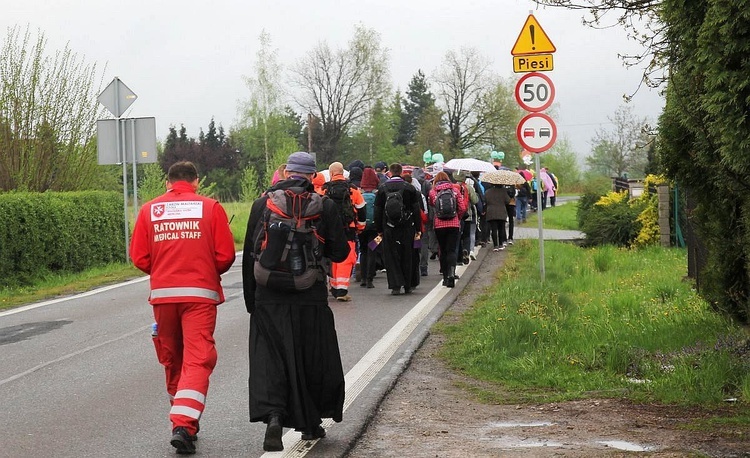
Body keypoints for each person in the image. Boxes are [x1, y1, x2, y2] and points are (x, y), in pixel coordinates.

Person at [242, 151, 350, 452]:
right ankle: (310, 422)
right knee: (311, 358)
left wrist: (252, 301)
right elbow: (340, 253)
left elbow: (252, 254)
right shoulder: (324, 205)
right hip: (309, 295)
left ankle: (274, 415)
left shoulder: (262, 204)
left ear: (287, 172)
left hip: (268, 295)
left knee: (270, 360)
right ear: (312, 176)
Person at [130, 161, 236, 455]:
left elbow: (139, 256)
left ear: (167, 182)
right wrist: (204, 269)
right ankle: (184, 423)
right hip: (199, 296)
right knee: (198, 358)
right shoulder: (211, 208)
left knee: (172, 356)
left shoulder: (149, 210)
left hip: (163, 296)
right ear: (197, 181)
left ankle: (181, 417)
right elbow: (225, 255)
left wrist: (164, 269)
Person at [374, 163, 422, 295]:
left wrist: (379, 229)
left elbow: (377, 211)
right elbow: (416, 209)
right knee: (408, 254)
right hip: (407, 226)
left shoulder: (382, 188)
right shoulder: (409, 188)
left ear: (389, 172)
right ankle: (408, 284)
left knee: (391, 255)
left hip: (389, 227)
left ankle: (395, 285)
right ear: (401, 172)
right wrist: (418, 228)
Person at [323, 162, 366, 301]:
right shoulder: (353, 189)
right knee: (346, 257)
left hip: (329, 229)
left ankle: (334, 286)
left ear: (331, 173)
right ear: (343, 173)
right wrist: (360, 227)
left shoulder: (325, 190)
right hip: (348, 228)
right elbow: (361, 209)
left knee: (331, 256)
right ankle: (341, 290)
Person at [428, 171, 467, 287]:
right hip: (454, 224)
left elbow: (432, 206)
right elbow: (462, 207)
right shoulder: (455, 191)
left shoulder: (433, 192)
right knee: (451, 250)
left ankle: (445, 277)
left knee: (443, 250)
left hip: (439, 225)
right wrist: (457, 217)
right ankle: (451, 274)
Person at [357, 167, 380, 288]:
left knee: (363, 250)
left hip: (362, 227)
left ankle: (363, 278)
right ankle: (370, 278)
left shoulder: (360, 195)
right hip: (374, 228)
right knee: (372, 250)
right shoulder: (377, 195)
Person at [485, 182, 511, 251]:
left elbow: (485, 200)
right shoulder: (503, 191)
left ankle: (495, 245)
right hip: (501, 212)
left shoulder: (488, 192)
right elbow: (508, 201)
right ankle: (500, 244)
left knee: (493, 229)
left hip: (491, 212)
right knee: (501, 229)